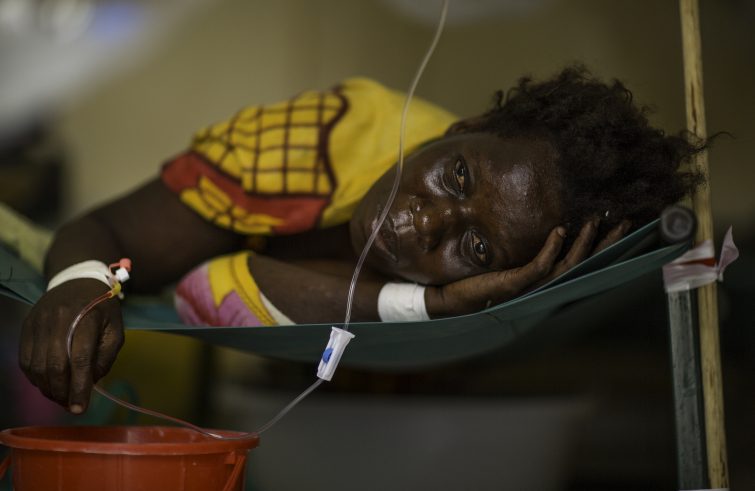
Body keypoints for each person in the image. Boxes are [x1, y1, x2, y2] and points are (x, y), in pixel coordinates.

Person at [18, 65, 703, 413]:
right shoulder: (312, 143)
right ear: (463, 127)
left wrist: (438, 308)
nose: (427, 222)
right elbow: (110, 234)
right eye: (457, 176)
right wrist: (77, 282)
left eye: (476, 249)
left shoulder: (477, 309)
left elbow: (223, 285)